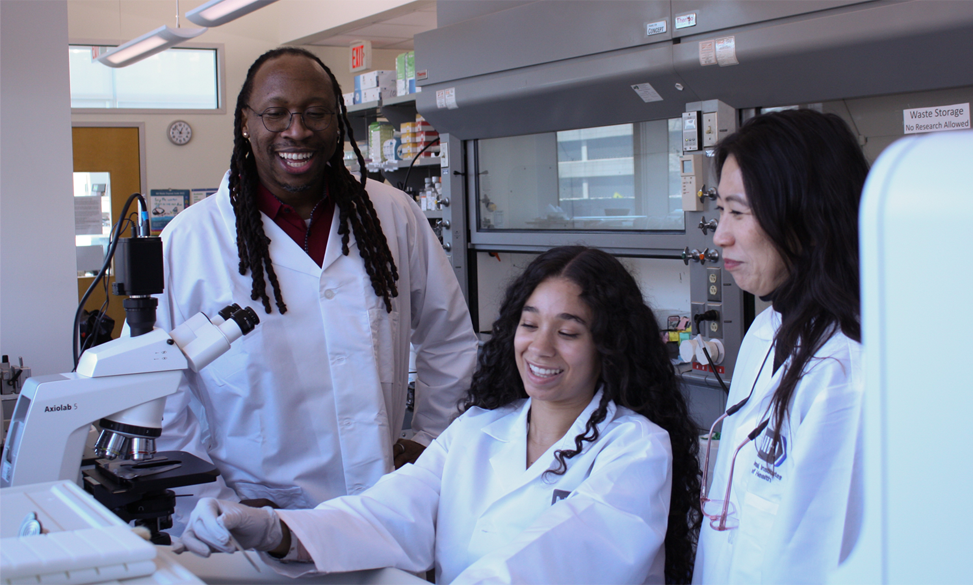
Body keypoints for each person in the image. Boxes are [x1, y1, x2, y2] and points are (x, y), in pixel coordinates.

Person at [176, 246, 702, 585]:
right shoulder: (479, 430)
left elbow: (554, 561)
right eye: (529, 324)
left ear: (608, 346)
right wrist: (274, 529)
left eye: (568, 332)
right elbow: (389, 513)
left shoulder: (635, 448)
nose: (540, 348)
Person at [153, 47, 477, 528]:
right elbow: (161, 393)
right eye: (276, 113)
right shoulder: (190, 240)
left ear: (338, 120)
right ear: (246, 122)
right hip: (252, 516)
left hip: (383, 506)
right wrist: (211, 503)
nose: (297, 131)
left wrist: (431, 441)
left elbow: (448, 338)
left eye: (315, 113)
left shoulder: (391, 214)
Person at [692, 109, 868, 584]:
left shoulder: (845, 374)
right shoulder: (767, 329)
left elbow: (818, 561)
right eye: (720, 211)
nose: (720, 234)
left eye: (739, 212)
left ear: (807, 220)